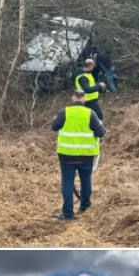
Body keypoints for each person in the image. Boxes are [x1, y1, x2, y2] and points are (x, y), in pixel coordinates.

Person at [52, 89, 106, 220]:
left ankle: (68, 213)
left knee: (67, 182)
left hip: (66, 154)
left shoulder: (64, 112)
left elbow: (54, 126)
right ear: (84, 99)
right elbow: (101, 133)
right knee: (86, 180)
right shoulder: (91, 114)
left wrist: (56, 118)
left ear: (72, 98)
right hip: (85, 155)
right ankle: (85, 206)